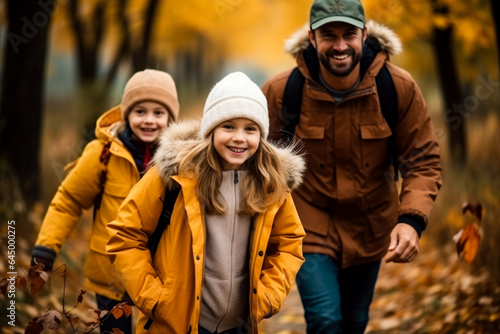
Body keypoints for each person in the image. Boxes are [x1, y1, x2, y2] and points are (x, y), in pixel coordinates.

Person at [261, 0, 443, 333]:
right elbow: (256, 161)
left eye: (349, 34)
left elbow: (422, 159)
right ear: (312, 38)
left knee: (355, 322)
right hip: (307, 224)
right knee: (325, 319)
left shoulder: (396, 88)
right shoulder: (281, 92)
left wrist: (411, 220)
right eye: (329, 35)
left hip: (370, 227)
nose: (340, 45)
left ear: (365, 34)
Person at [105, 72, 306, 334]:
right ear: (210, 130)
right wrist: (155, 298)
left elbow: (290, 243)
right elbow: (125, 235)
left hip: (240, 326)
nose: (239, 137)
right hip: (176, 324)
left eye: (250, 128)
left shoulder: (271, 183)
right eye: (228, 126)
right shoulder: (175, 175)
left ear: (261, 134)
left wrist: (268, 295)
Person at [31, 69, 180, 333]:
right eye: (140, 111)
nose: (149, 120)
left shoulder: (181, 162)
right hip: (111, 275)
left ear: (171, 117)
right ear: (126, 114)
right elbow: (69, 201)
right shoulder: (104, 154)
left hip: (160, 277)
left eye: (159, 113)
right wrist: (46, 247)